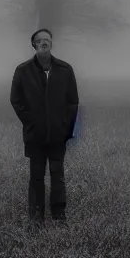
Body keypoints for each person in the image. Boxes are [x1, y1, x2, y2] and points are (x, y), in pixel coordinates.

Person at [10, 28, 79, 225]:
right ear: (33, 45)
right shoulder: (22, 71)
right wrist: (30, 122)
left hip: (59, 134)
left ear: (52, 43)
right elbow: (16, 100)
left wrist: (67, 128)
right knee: (36, 177)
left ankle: (59, 216)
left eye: (47, 39)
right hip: (35, 135)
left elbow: (73, 101)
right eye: (39, 40)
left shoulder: (65, 69)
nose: (44, 43)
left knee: (58, 176)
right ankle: (36, 217)